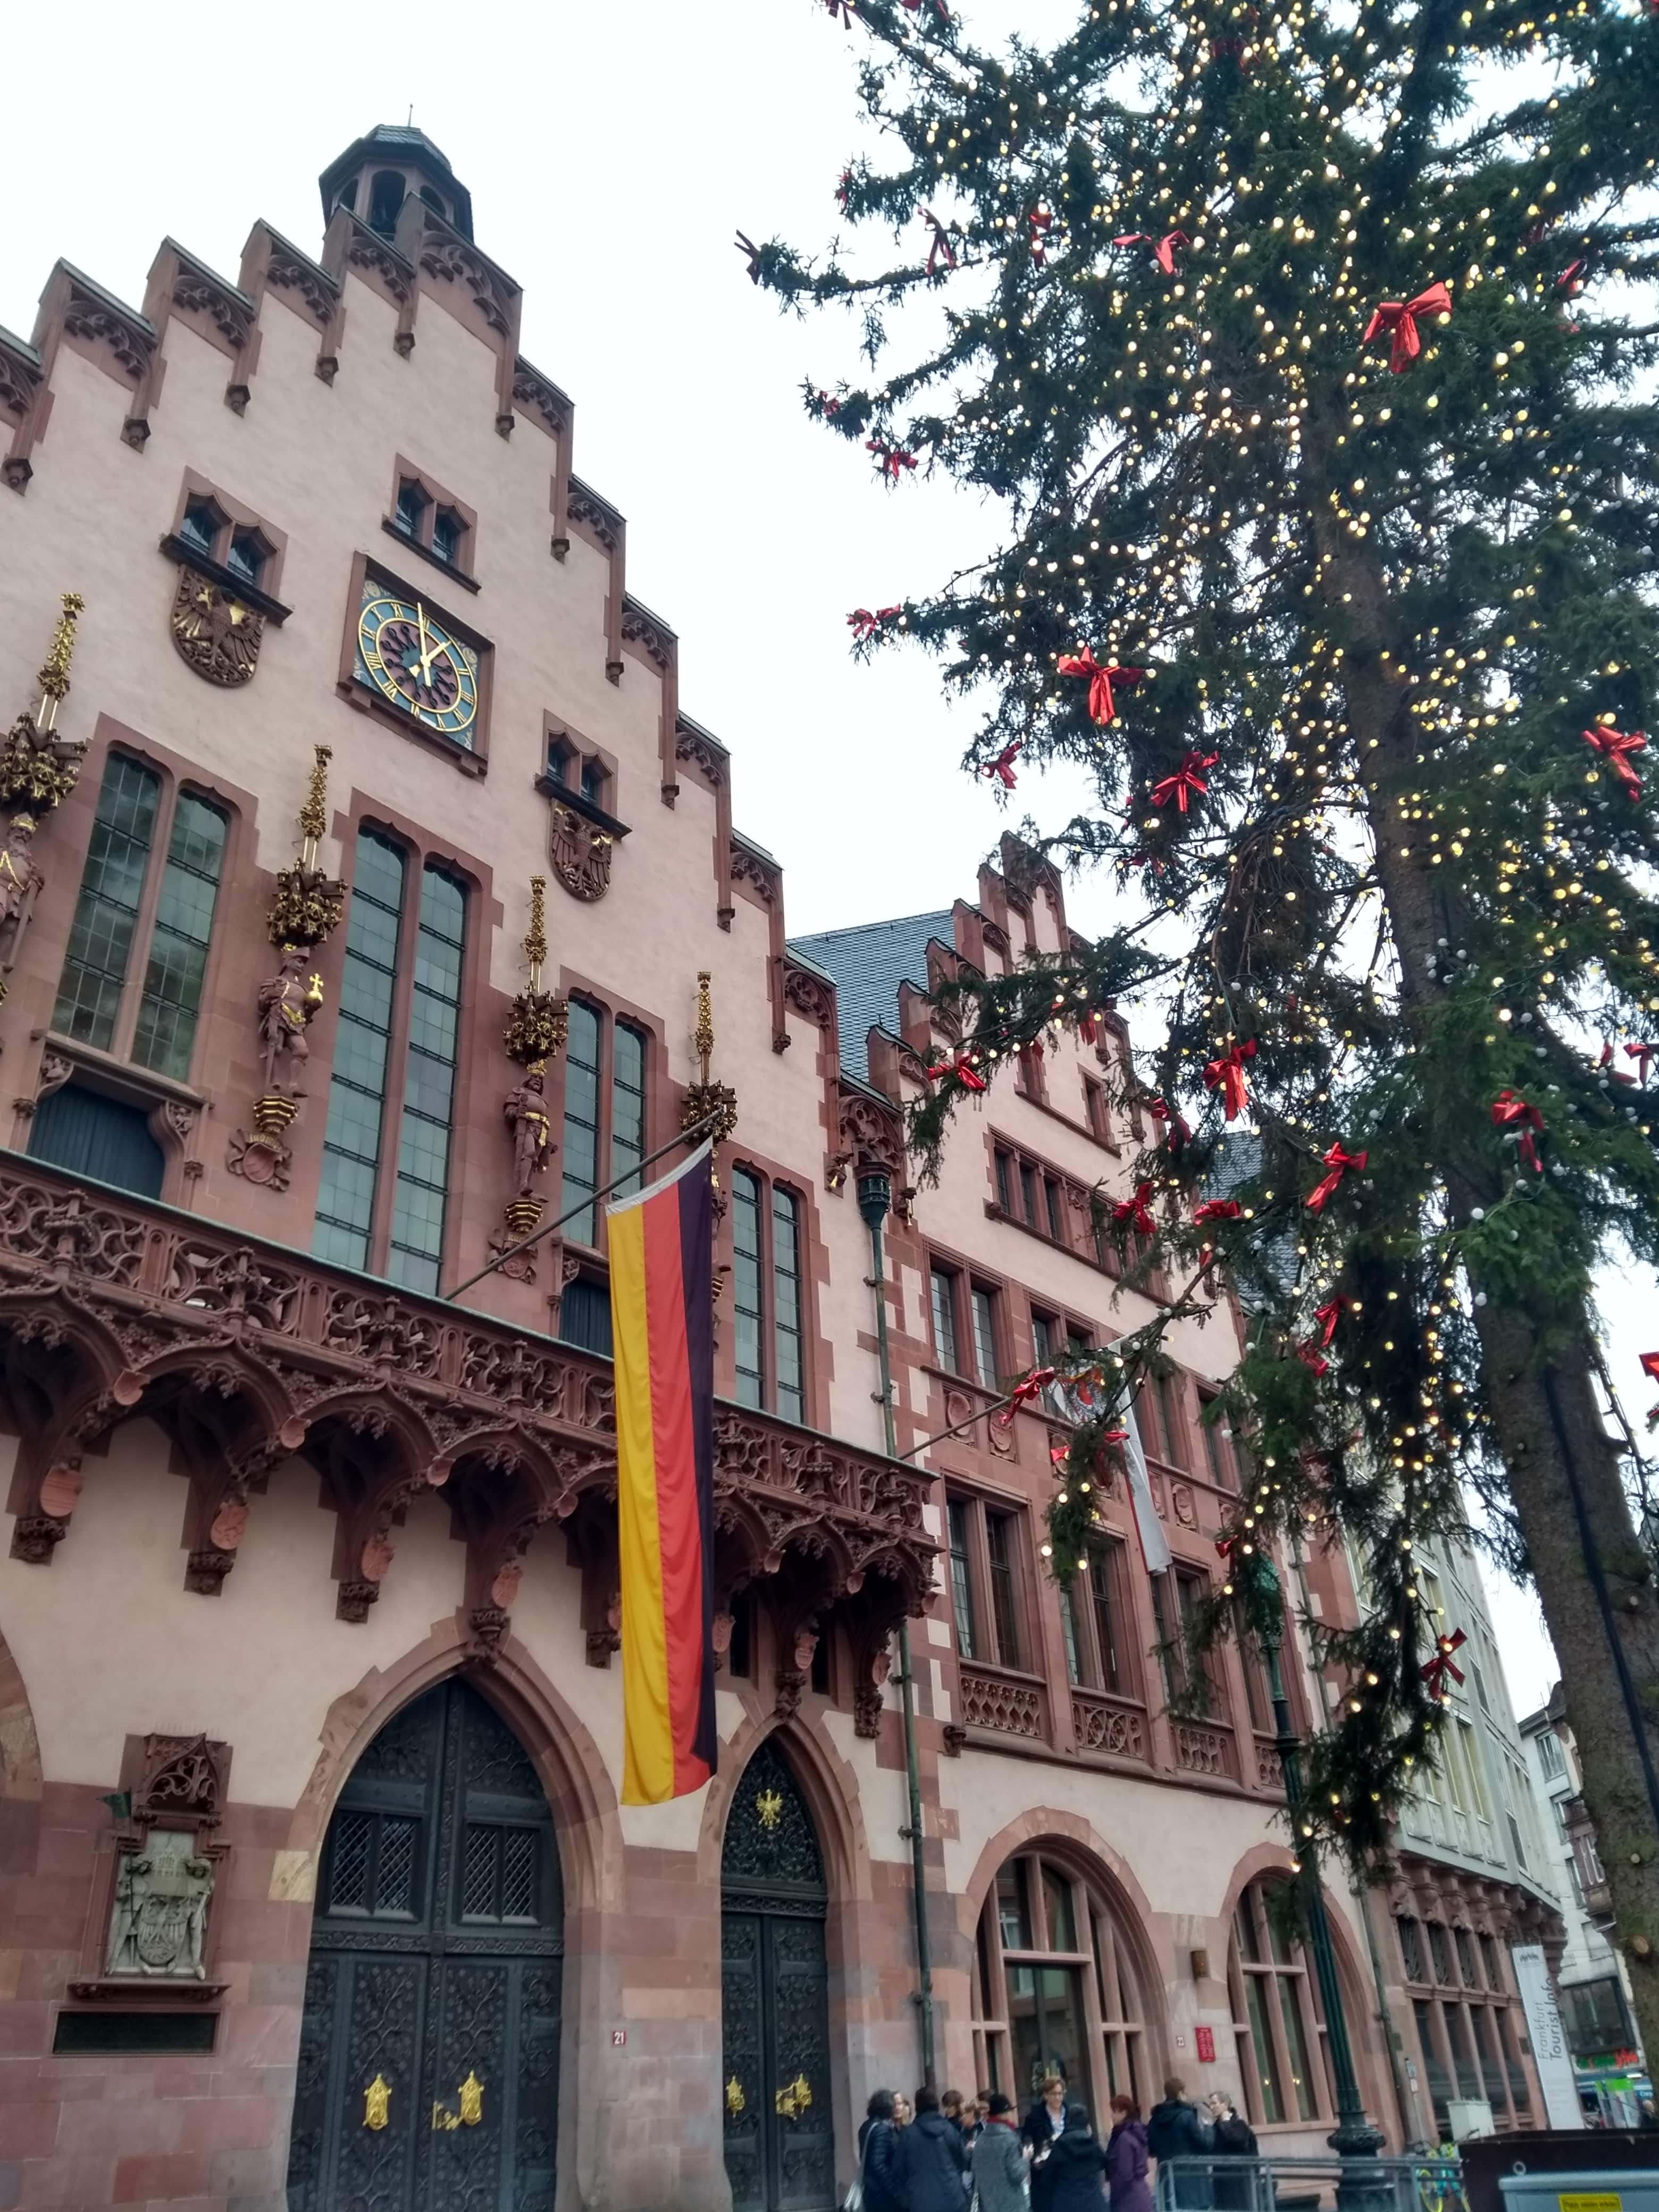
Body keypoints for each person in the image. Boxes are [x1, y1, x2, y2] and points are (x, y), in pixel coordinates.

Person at [901, 2086, 971, 2212]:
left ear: (917, 2107)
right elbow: (964, 2160)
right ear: (937, 2106)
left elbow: (899, 2170)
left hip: (921, 2201)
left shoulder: (908, 2135)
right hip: (952, 2198)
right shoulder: (949, 2130)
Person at [1146, 2077, 1212, 2211]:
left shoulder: (1155, 2119)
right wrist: (1208, 2129)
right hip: (1192, 2177)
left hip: (1166, 2176)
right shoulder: (1187, 2116)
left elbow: (1151, 2150)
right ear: (1181, 2094)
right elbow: (1204, 2144)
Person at [1032, 2104, 1108, 2212]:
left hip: (1067, 2204)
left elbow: (1047, 2179)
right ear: (1087, 2124)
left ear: (1068, 2121)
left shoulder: (1060, 2145)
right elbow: (1107, 2166)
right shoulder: (1093, 2144)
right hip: (1094, 2204)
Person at [973, 2093, 1029, 2212]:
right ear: (1005, 2113)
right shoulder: (1010, 2138)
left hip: (988, 2204)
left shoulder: (981, 2138)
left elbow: (976, 2170)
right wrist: (1026, 2159)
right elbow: (1017, 2175)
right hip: (1012, 2204)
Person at [1203, 2092, 1256, 2210]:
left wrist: (1226, 2123)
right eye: (1210, 2104)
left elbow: (1236, 2141)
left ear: (1225, 2105)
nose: (1211, 2107)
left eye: (1214, 2103)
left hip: (1237, 2177)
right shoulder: (1217, 2125)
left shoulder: (1238, 2123)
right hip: (1222, 2176)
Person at [859, 2090, 906, 2212]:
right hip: (882, 2194)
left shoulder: (867, 2126)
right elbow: (878, 2163)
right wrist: (895, 2189)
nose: (896, 2108)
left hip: (871, 2191)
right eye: (894, 2105)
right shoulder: (882, 2130)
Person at [1107, 2096, 1153, 2212]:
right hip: (1141, 2194)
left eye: (1114, 2112)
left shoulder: (1123, 2138)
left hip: (1128, 2199)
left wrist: (1115, 2196)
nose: (1111, 2115)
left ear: (1124, 2113)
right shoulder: (1137, 2132)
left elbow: (1125, 2173)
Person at [1023, 2074, 1069, 2158]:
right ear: (1045, 2095)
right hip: (1046, 2162)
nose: (1057, 2098)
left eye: (1060, 2094)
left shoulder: (1072, 2115)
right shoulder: (1034, 2118)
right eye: (1054, 2094)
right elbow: (1028, 2142)